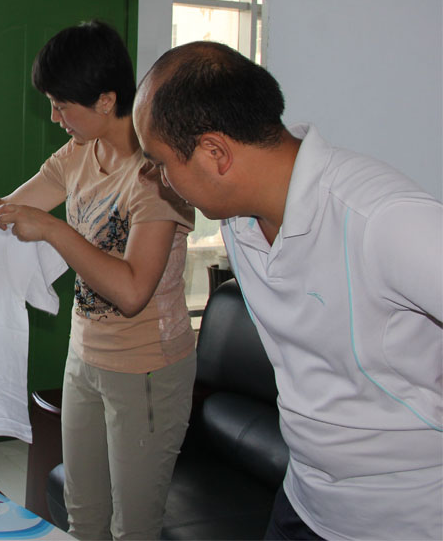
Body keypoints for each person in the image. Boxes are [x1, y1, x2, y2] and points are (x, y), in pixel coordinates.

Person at [0, 20, 196, 540]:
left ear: (106, 100)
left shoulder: (155, 175)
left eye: (61, 105)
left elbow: (132, 291)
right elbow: (4, 210)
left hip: (146, 371)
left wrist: (54, 229)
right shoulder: (79, 154)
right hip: (86, 357)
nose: (54, 118)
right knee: (83, 513)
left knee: (133, 527)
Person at [132, 40, 443, 541]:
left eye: (162, 163)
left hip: (405, 519)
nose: (161, 180)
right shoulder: (240, 221)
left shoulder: (383, 218)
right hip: (305, 501)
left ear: (215, 153)